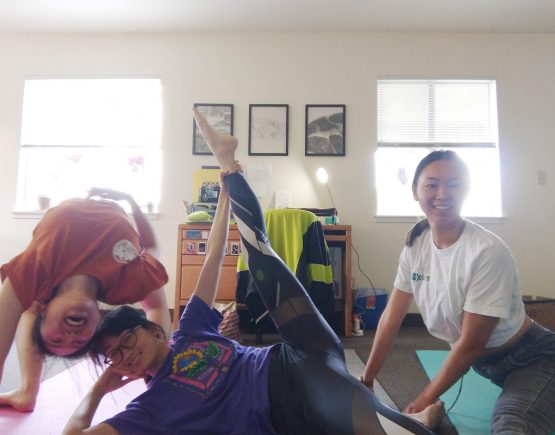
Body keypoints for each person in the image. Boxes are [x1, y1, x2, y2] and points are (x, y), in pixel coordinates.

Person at [62, 109, 444, 435]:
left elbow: (212, 257)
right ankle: (418, 419)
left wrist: (225, 195)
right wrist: (100, 388)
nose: (124, 355)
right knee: (360, 414)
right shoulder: (148, 410)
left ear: (152, 328)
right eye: (113, 355)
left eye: (126, 340)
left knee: (258, 251)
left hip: (295, 350)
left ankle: (226, 161)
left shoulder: (190, 328)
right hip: (289, 399)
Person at [362, 150, 555, 434]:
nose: (443, 193)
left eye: (454, 184)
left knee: (512, 424)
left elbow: (472, 344)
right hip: (489, 365)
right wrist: (366, 380)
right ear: (415, 190)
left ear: (466, 189)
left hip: (534, 359)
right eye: (431, 184)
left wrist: (424, 399)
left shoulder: (487, 252)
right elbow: (392, 316)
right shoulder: (417, 243)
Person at [0, 188, 170, 412]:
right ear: (97, 321)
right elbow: (152, 253)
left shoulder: (37, 270)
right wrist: (154, 356)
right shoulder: (123, 284)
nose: (70, 336)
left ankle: (27, 391)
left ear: (43, 311)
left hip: (67, 211)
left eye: (56, 340)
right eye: (79, 342)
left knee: (26, 305)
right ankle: (27, 391)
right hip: (116, 208)